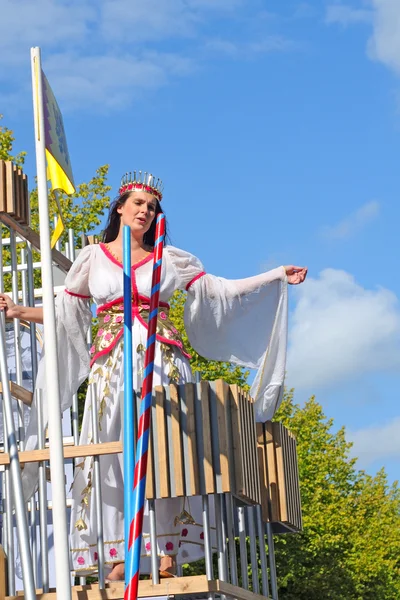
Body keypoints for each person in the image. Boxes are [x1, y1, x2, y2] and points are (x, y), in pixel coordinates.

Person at [0, 171, 307, 581]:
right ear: (120, 208)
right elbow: (66, 314)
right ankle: (117, 554)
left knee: (168, 452)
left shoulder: (171, 258)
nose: (145, 211)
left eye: (151, 207)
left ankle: (168, 550)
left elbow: (220, 291)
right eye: (138, 203)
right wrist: (19, 311)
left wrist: (273, 275)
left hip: (162, 362)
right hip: (112, 365)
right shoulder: (93, 258)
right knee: (111, 452)